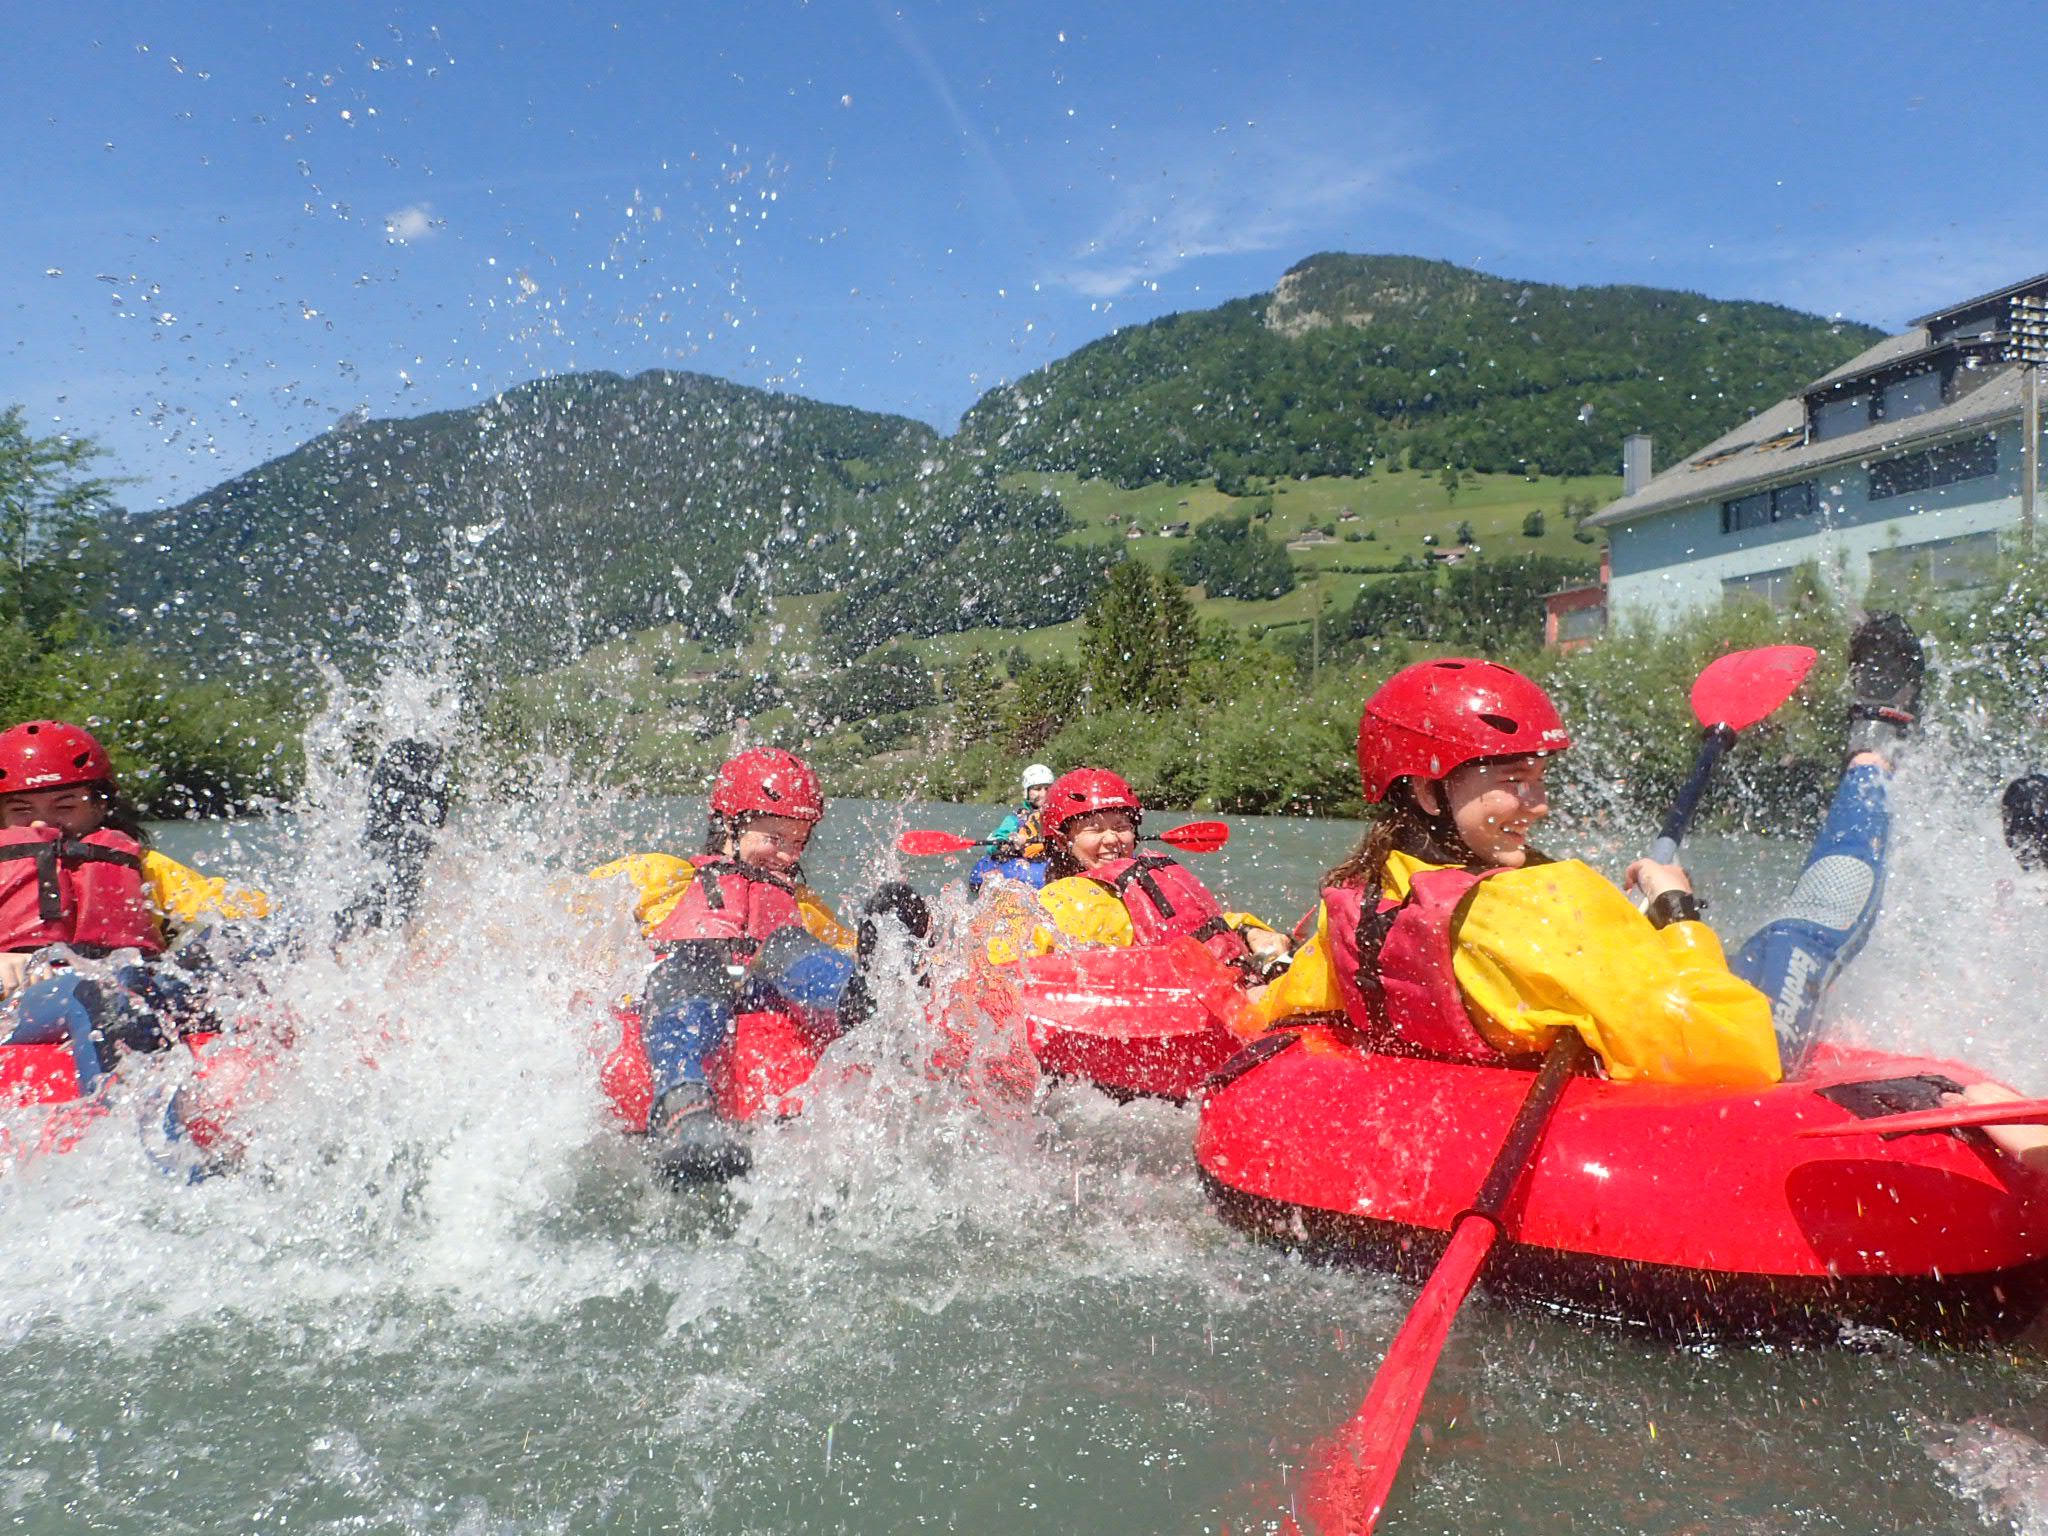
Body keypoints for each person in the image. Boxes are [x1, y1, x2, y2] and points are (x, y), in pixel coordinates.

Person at [1251, 613, 1925, 1087]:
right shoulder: (1548, 907)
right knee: (1803, 928)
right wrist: (1677, 913)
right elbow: (1739, 1050)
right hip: (1731, 1026)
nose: (1538, 805)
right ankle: (1874, 749)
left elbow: (1281, 1002)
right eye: (1512, 782)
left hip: (1575, 989)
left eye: (1540, 779)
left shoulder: (1367, 893)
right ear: (1429, 792)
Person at [588, 747, 926, 1180]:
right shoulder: (662, 875)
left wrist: (903, 951)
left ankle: (858, 999)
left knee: (788, 942)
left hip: (767, 995)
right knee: (695, 959)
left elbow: (843, 947)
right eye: (774, 838)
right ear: (729, 825)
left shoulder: (803, 906)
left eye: (798, 842)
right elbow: (572, 909)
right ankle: (684, 1105)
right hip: (677, 991)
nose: (787, 856)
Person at [0, 720, 270, 1093]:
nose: (43, 822)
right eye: (21, 810)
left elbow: (233, 908)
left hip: (131, 986)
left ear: (100, 807)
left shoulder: (141, 867)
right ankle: (133, 1129)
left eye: (65, 805)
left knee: (236, 946)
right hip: (29, 1005)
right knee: (102, 993)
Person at [985, 767, 1289, 978]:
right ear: (1064, 840)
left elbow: (1195, 924)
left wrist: (1252, 933)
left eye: (1121, 827)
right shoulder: (1048, 903)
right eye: (1094, 829)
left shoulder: (1148, 881)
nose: (1112, 840)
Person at [988, 764, 1054, 860]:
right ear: (1026, 792)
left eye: (1047, 789)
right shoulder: (1015, 820)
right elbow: (992, 843)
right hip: (1027, 866)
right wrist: (1006, 843)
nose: (1044, 794)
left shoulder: (1058, 816)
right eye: (1037, 789)